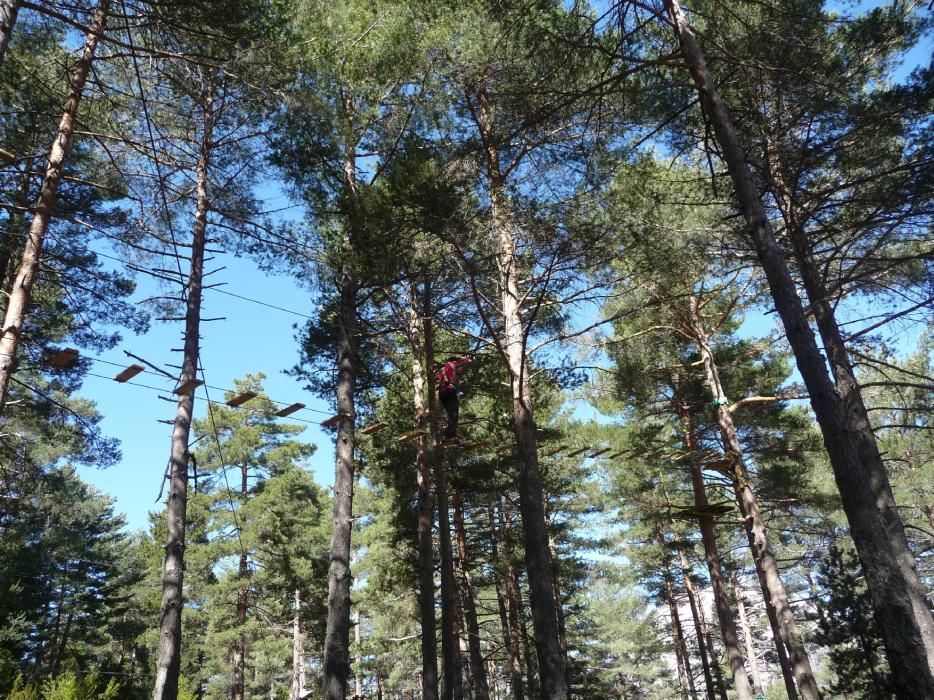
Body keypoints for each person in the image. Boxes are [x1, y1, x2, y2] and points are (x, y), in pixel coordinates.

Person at [437, 355, 473, 441]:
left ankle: (447, 435)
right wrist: (464, 358)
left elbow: (459, 371)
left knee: (451, 415)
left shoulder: (442, 370)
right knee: (453, 414)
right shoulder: (452, 363)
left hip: (442, 393)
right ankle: (449, 435)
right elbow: (469, 361)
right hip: (449, 390)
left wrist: (462, 367)